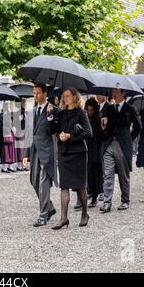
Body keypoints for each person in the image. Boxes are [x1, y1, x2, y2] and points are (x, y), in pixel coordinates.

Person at [51, 88, 92, 230]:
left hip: (78, 153)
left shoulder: (82, 113)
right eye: (64, 96)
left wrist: (71, 136)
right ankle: (63, 218)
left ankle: (85, 213)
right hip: (64, 153)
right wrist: (56, 129)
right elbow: (53, 130)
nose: (65, 98)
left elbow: (88, 133)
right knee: (64, 185)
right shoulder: (60, 114)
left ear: (75, 97)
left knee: (80, 186)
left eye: (67, 96)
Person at [100, 89, 141, 213]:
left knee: (123, 175)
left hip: (122, 146)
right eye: (112, 92)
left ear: (123, 94)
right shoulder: (108, 109)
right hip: (108, 145)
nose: (114, 94)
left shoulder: (130, 108)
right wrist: (103, 124)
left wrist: (129, 139)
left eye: (116, 92)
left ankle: (125, 200)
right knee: (107, 174)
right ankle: (107, 202)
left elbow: (138, 127)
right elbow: (102, 128)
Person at [23, 83, 58, 227]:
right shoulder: (32, 111)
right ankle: (49, 208)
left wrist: (50, 116)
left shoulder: (54, 110)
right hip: (35, 150)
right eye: (34, 93)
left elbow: (53, 131)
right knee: (34, 181)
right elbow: (29, 134)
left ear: (45, 93)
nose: (35, 96)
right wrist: (26, 153)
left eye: (38, 93)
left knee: (44, 182)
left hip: (48, 150)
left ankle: (43, 215)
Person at [84, 98, 103, 208]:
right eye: (88, 110)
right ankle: (91, 194)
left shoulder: (98, 121)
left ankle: (96, 195)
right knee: (89, 174)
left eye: (91, 110)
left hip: (96, 150)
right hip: (87, 149)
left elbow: (101, 136)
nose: (90, 112)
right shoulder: (84, 120)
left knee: (96, 174)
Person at [0, 102, 17, 173]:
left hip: (10, 134)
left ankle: (10, 166)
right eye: (8, 106)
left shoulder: (10, 115)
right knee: (5, 152)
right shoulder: (1, 116)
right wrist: (9, 128)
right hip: (4, 136)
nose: (9, 107)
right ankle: (4, 168)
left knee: (10, 150)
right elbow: (1, 126)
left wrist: (13, 127)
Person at [14, 98, 28, 171]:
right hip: (19, 133)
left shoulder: (26, 113)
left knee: (24, 149)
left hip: (25, 132)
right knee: (20, 149)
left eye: (25, 102)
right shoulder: (17, 113)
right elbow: (16, 123)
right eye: (23, 102)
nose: (25, 104)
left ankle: (24, 165)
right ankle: (19, 165)